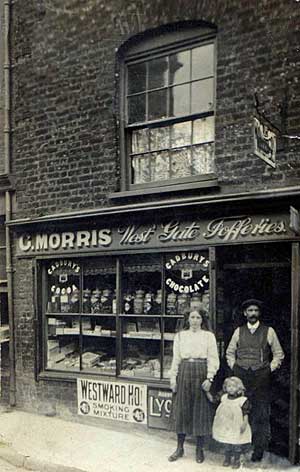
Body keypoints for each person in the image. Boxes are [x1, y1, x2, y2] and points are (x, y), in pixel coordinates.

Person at [226, 298, 284, 462]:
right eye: (250, 311)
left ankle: (258, 449)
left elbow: (279, 354)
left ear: (259, 313)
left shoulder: (269, 331)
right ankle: (239, 447)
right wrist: (235, 368)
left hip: (261, 377)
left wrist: (268, 369)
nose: (253, 314)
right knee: (239, 411)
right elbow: (230, 352)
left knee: (260, 413)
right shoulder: (238, 331)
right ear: (245, 314)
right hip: (241, 376)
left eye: (255, 311)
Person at [168, 309, 219, 463]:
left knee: (200, 410)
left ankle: (199, 449)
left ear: (202, 320)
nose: (195, 320)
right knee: (182, 409)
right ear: (187, 319)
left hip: (201, 371)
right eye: (192, 317)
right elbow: (176, 358)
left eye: (198, 317)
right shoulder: (180, 336)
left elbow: (213, 358)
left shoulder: (208, 336)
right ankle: (179, 448)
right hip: (184, 371)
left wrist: (209, 378)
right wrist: (173, 378)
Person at [207, 376, 251, 469]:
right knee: (227, 441)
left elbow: (245, 413)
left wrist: (244, 423)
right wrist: (207, 392)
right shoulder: (223, 397)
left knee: (236, 442)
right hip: (225, 424)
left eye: (234, 386)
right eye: (229, 386)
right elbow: (213, 400)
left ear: (239, 388)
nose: (231, 388)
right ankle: (227, 458)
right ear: (225, 387)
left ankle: (236, 460)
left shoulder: (242, 400)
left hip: (236, 424)